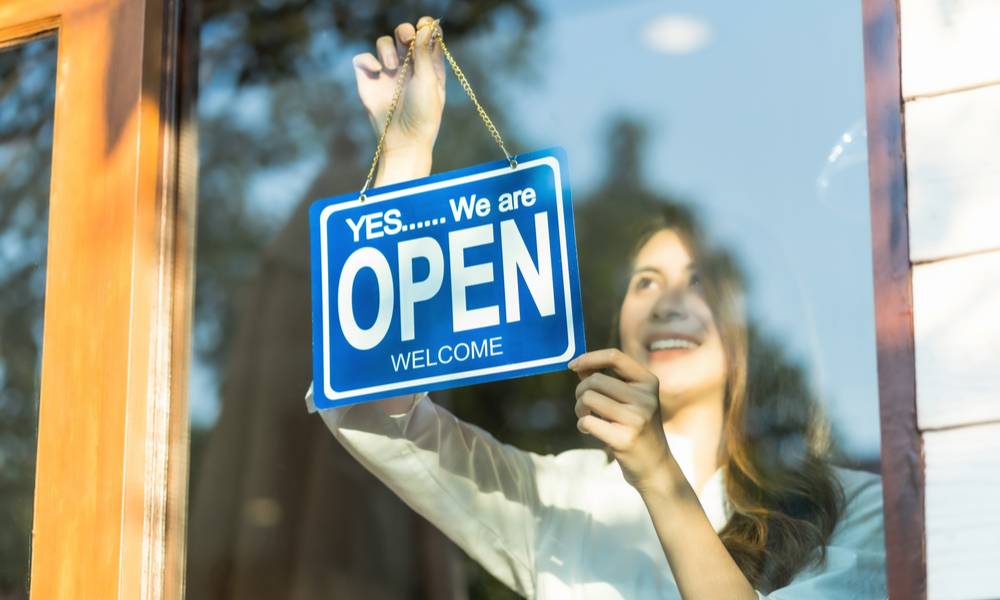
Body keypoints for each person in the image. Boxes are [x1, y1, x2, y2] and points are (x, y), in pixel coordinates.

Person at [306, 17, 886, 599]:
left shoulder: (857, 508)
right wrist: (404, 154)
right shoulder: (558, 497)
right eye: (645, 283)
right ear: (619, 330)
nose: (668, 302)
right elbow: (372, 408)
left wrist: (659, 473)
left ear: (746, 331)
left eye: (698, 281)